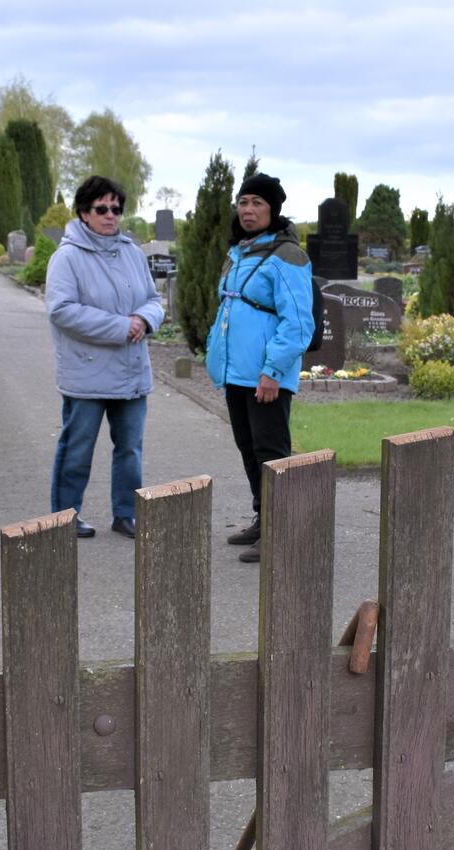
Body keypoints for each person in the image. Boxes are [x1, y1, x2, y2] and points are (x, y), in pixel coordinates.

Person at [203, 172, 316, 564]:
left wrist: (272, 371)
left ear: (273, 210)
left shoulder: (287, 257)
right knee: (248, 448)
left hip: (266, 375)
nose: (248, 210)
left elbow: (298, 323)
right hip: (237, 373)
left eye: (257, 204)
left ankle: (280, 530)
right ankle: (263, 518)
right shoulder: (240, 251)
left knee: (271, 451)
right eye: (243, 202)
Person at [44, 176, 163, 539]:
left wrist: (143, 319)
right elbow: (62, 310)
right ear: (84, 213)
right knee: (77, 449)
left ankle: (126, 514)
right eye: (102, 209)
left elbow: (153, 299)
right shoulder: (67, 257)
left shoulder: (131, 252)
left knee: (130, 449)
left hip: (131, 372)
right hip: (87, 373)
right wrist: (120, 327)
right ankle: (65, 516)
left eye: (116, 208)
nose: (110, 215)